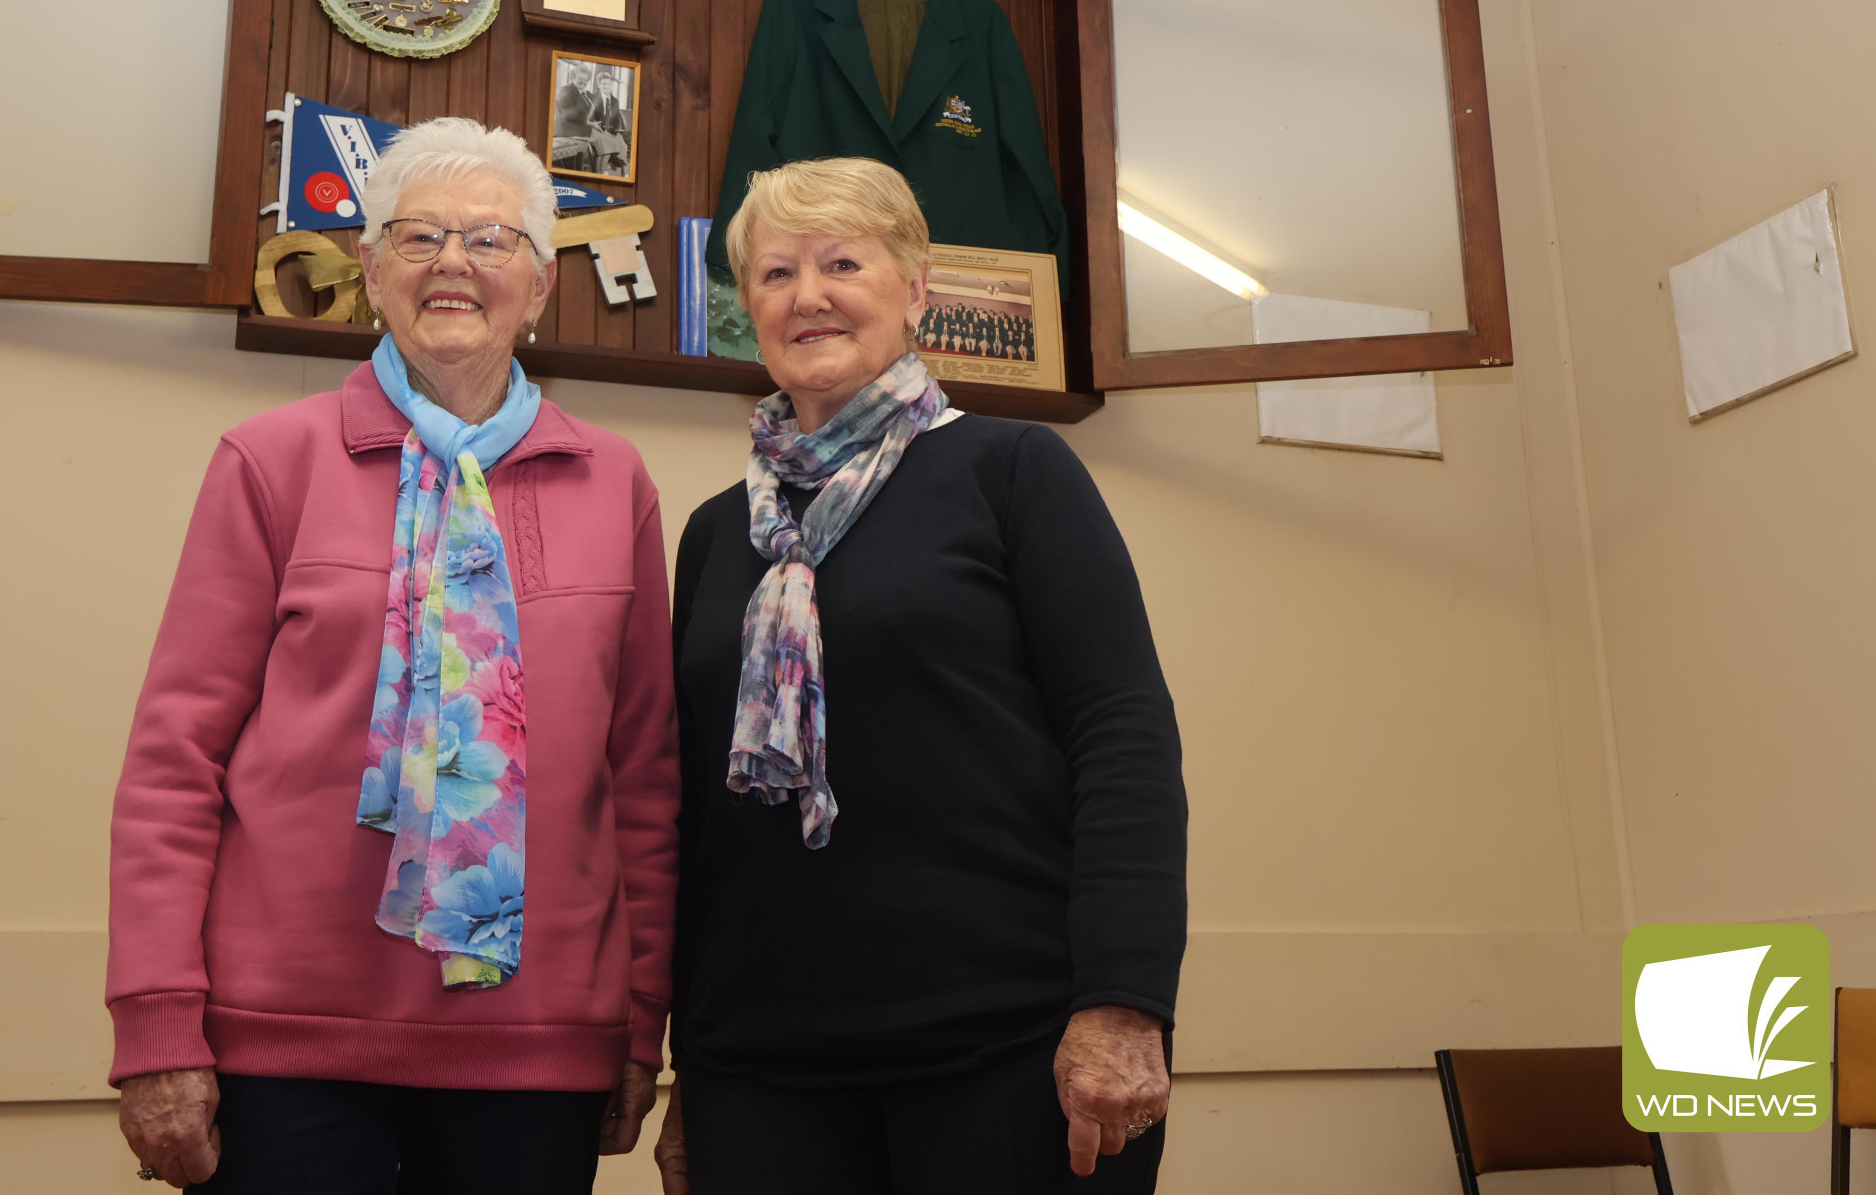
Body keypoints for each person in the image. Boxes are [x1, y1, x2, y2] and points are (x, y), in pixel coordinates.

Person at [108, 117, 679, 1192]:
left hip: (536, 1046)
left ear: (541, 284)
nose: (453, 263)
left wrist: (639, 1021)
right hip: (283, 1049)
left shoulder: (615, 481)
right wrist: (156, 1029)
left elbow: (642, 779)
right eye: (418, 239)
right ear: (371, 272)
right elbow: (174, 764)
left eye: (491, 240)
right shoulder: (270, 461)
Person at [656, 158, 1186, 1195]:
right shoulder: (718, 535)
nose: (805, 295)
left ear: (913, 291)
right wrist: (692, 1066)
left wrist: (1122, 1004)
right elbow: (693, 818)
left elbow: (1121, 734)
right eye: (772, 274)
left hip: (1008, 1053)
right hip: (761, 1066)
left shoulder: (1011, 471)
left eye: (841, 263)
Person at [552, 63, 598, 172]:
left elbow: (589, 112)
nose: (584, 82)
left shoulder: (582, 93)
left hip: (579, 131)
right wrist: (590, 123)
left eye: (586, 79)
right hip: (569, 131)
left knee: (608, 140)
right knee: (603, 141)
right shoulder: (567, 90)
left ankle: (596, 170)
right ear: (572, 77)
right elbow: (568, 115)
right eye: (580, 78)